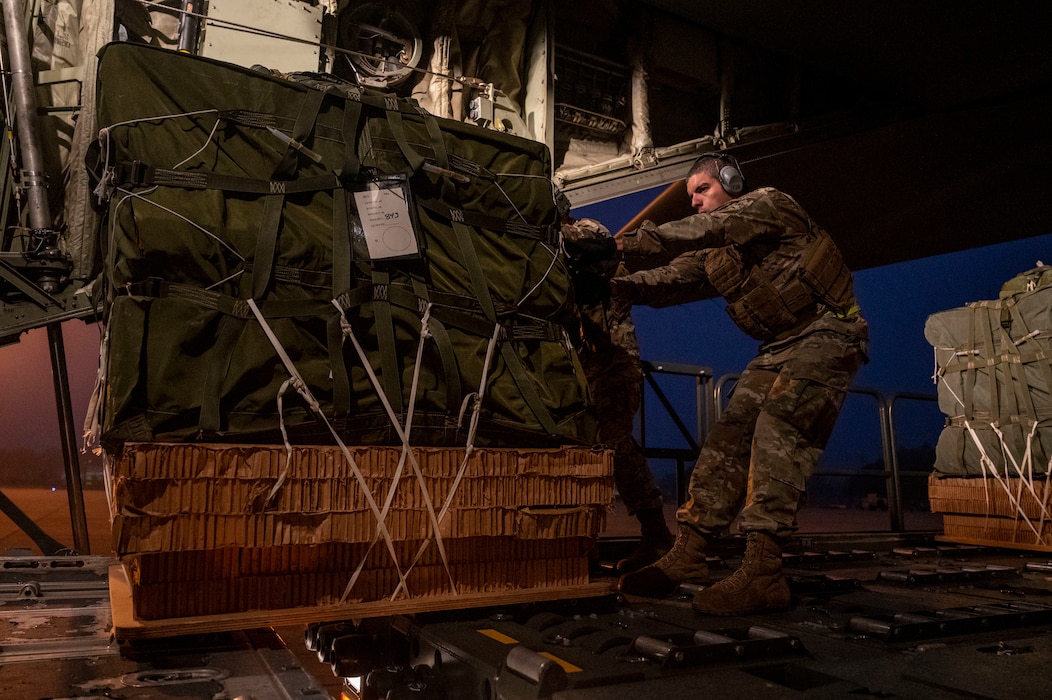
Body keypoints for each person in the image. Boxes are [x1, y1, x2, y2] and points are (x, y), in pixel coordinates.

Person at [606, 152, 869, 615]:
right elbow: (665, 280)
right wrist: (611, 284)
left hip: (829, 331)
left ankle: (763, 572)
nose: (695, 203)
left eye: (702, 190)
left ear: (730, 182)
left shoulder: (770, 205)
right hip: (777, 346)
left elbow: (706, 229)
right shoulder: (716, 257)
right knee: (726, 440)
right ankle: (689, 554)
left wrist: (624, 245)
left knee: (778, 427)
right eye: (690, 196)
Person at [561, 215, 675, 573]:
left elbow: (600, 252)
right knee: (581, 453)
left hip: (613, 362)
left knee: (616, 449)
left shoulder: (585, 231)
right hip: (584, 364)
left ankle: (657, 536)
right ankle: (584, 545)